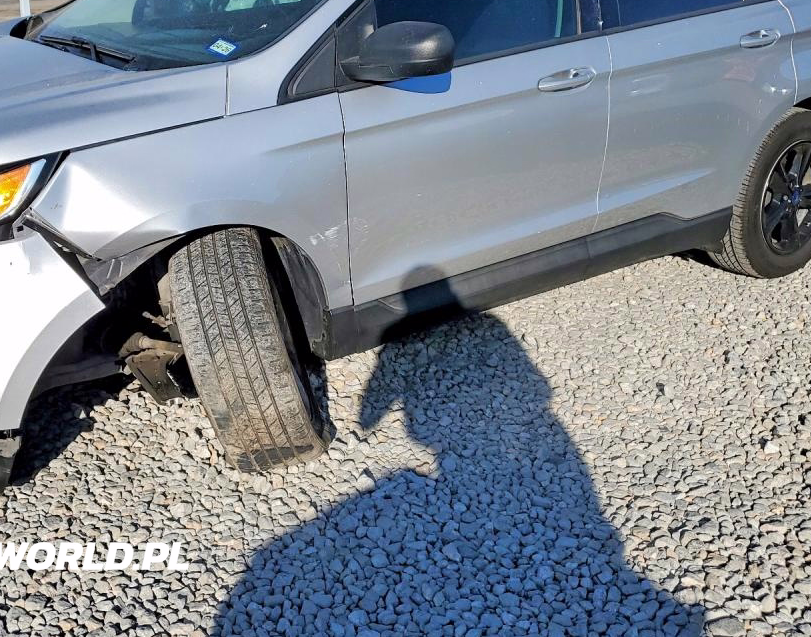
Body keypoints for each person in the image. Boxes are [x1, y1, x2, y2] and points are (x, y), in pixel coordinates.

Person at [214, 270, 700, 636]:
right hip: (510, 438)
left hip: (469, 444)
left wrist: (368, 416)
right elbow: (537, 387)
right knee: (581, 522)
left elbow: (385, 388)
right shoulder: (493, 336)